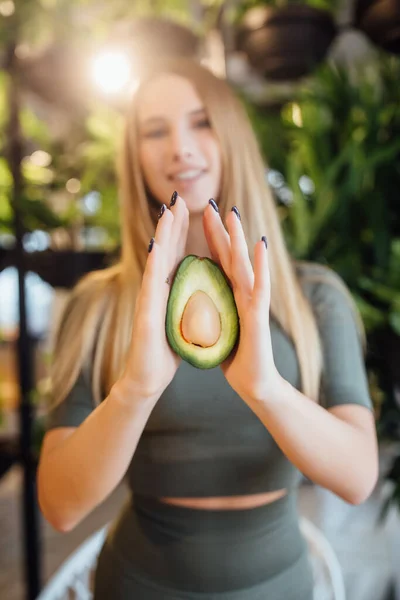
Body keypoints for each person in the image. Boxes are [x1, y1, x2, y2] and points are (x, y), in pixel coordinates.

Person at [37, 57, 378, 600]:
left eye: (201, 122)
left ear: (232, 136)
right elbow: (60, 504)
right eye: (155, 130)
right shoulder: (98, 304)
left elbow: (358, 478)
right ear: (134, 157)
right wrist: (137, 389)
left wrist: (264, 387)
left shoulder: (314, 296)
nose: (179, 147)